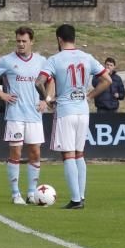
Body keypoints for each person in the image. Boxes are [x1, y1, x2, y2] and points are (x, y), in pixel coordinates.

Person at [37, 25, 110, 209]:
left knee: (68, 154)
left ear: (59, 39)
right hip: (83, 111)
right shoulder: (87, 57)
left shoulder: (55, 59)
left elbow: (39, 82)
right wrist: (90, 96)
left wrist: (47, 99)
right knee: (79, 154)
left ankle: (76, 200)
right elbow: (107, 80)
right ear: (74, 38)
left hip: (66, 110)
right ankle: (81, 196)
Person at [0, 27, 48, 205]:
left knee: (35, 152)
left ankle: (32, 193)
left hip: (35, 114)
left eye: (24, 41)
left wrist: (46, 99)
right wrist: (1, 94)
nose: (20, 44)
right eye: (18, 41)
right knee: (16, 152)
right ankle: (15, 194)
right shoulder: (7, 60)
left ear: (31, 41)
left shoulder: (41, 61)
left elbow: (51, 80)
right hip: (15, 114)